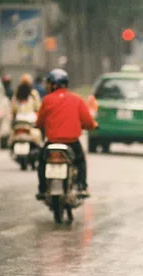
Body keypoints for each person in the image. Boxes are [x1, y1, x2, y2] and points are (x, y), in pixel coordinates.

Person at [35, 69, 98, 199]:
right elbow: (87, 121)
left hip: (52, 142)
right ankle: (81, 186)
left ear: (53, 84)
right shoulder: (77, 99)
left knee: (42, 161)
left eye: (48, 83)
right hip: (72, 142)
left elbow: (39, 122)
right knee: (80, 161)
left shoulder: (47, 100)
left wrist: (39, 126)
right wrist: (93, 126)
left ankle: (42, 188)